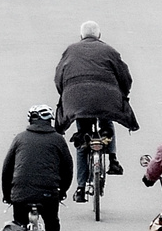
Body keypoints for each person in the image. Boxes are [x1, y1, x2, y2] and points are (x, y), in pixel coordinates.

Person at [54, 20, 138, 200]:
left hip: (77, 99)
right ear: (99, 36)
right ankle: (113, 160)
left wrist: (65, 93)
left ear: (81, 36)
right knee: (106, 120)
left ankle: (81, 187)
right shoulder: (109, 50)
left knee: (82, 137)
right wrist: (123, 93)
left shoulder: (70, 51)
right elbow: (125, 77)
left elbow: (58, 77)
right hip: (107, 98)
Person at [1, 105, 73, 231]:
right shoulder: (58, 140)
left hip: (21, 194)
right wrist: (62, 191)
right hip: (49, 194)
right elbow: (68, 169)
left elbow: (7, 169)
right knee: (51, 224)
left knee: (19, 229)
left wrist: (7, 195)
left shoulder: (20, 139)